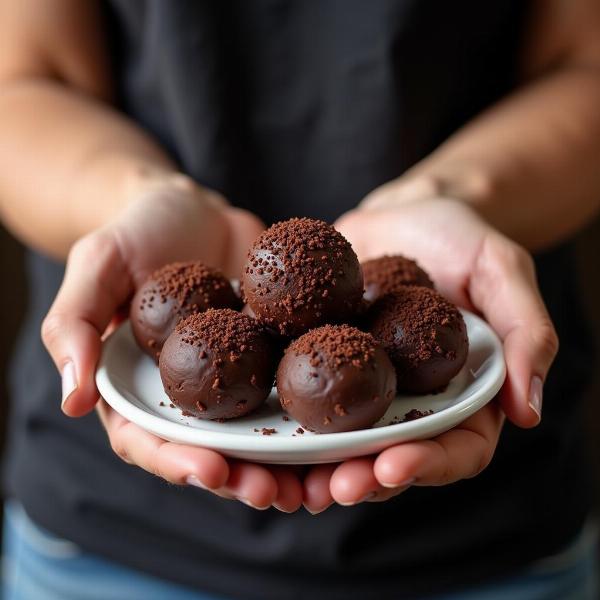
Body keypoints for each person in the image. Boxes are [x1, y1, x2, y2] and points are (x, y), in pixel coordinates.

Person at [0, 1, 598, 598]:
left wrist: (453, 194)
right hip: (106, 537)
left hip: (491, 537)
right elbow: (25, 81)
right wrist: (136, 198)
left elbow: (584, 66)